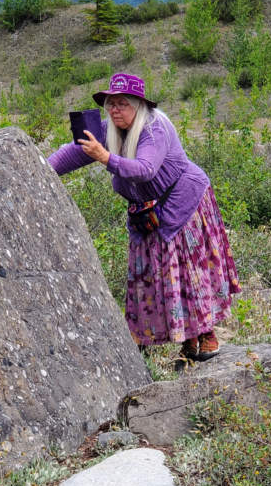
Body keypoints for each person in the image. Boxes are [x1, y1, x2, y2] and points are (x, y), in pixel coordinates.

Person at [47, 72, 240, 361]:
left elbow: (145, 168)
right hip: (147, 211)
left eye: (122, 104)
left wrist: (106, 157)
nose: (115, 110)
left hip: (182, 203)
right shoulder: (109, 130)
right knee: (156, 274)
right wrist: (38, 168)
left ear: (139, 106)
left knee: (188, 271)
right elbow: (72, 154)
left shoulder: (155, 128)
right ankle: (186, 337)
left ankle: (206, 334)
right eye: (111, 104)